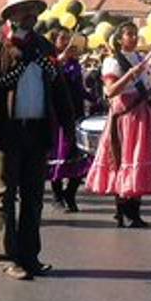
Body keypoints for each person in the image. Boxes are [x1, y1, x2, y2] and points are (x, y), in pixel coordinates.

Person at [0, 0, 75, 280]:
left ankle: (30, 255)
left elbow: (59, 89)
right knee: (3, 195)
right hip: (5, 131)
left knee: (33, 197)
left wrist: (69, 127)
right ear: (11, 14)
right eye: (24, 9)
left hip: (37, 129)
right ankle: (7, 257)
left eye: (34, 9)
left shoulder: (43, 47)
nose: (30, 14)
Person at [84, 21, 151, 227]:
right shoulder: (113, 62)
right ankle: (122, 210)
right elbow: (110, 91)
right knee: (123, 160)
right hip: (124, 117)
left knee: (139, 159)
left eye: (135, 34)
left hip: (142, 114)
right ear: (120, 38)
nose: (133, 37)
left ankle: (134, 210)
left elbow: (148, 87)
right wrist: (130, 75)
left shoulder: (141, 58)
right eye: (129, 34)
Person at [48, 30, 91, 212]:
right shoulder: (50, 61)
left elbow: (79, 88)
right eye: (62, 38)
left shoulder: (75, 63)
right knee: (59, 156)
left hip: (76, 113)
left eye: (68, 39)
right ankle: (57, 195)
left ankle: (70, 193)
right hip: (58, 114)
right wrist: (61, 59)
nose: (66, 42)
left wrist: (95, 98)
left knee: (81, 157)